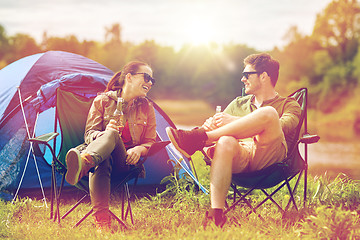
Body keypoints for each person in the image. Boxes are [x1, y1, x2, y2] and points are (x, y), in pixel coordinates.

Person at [166, 53, 301, 227]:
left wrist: (234, 121)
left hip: (269, 159)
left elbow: (283, 126)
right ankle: (216, 214)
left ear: (264, 76)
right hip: (240, 158)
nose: (242, 79)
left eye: (247, 75)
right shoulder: (237, 104)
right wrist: (211, 126)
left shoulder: (289, 105)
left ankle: (198, 138)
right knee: (225, 142)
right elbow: (219, 130)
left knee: (269, 114)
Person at [65, 61, 157, 231]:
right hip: (103, 160)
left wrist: (139, 149)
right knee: (106, 152)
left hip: (125, 163)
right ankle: (102, 222)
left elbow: (150, 142)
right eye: (147, 77)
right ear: (129, 77)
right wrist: (104, 133)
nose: (150, 82)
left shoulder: (147, 107)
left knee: (113, 135)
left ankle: (85, 163)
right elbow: (89, 134)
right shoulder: (103, 101)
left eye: (152, 79)